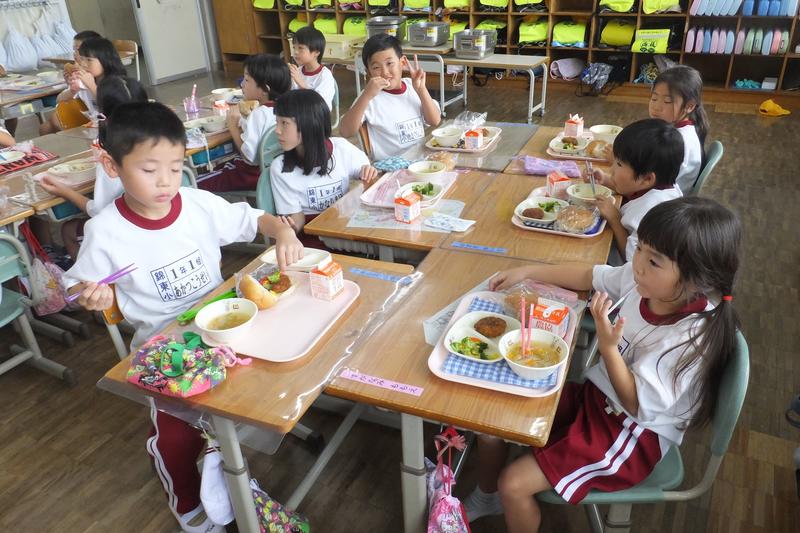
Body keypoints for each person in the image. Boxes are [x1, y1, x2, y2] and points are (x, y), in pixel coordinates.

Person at [64, 102, 303, 533]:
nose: (166, 182)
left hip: (223, 332)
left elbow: (255, 219)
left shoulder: (195, 204)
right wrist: (91, 295)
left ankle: (235, 459)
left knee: (282, 376)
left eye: (175, 168)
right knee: (175, 439)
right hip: (166, 351)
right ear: (112, 166)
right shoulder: (106, 231)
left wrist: (283, 230)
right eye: (149, 169)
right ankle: (188, 504)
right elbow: (77, 286)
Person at [464, 197, 742, 533]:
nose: (638, 264)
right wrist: (526, 271)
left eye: (654, 261)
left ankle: (502, 494)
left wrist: (609, 348)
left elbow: (636, 403)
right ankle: (486, 496)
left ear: (696, 279)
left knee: (513, 484)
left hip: (633, 433)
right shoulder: (644, 282)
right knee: (493, 415)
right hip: (597, 399)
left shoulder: (691, 336)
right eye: (640, 249)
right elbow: (589, 275)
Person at [39, 76, 148, 259]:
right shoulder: (154, 138)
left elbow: (100, 212)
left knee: (68, 230)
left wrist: (65, 192)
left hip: (126, 232)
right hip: (152, 219)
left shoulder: (112, 154)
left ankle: (91, 273)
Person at [271, 89, 377, 247]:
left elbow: (367, 172)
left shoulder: (341, 148)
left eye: (284, 123)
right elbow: (298, 217)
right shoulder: (280, 168)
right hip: (313, 235)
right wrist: (290, 229)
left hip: (343, 225)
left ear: (308, 124)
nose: (277, 130)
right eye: (277, 122)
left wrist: (367, 171)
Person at [587, 118, 683, 262]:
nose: (612, 169)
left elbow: (632, 261)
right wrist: (606, 180)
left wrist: (614, 218)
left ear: (647, 178)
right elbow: (633, 189)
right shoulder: (664, 186)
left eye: (619, 164)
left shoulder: (648, 213)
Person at [339, 33, 441, 161]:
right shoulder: (369, 98)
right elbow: (346, 131)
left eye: (389, 63)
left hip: (420, 160)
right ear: (368, 72)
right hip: (389, 167)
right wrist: (366, 96)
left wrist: (421, 90)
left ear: (402, 62)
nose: (385, 72)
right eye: (376, 67)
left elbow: (435, 121)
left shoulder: (412, 86)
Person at [197, 54, 291, 192]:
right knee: (218, 169)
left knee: (196, 183)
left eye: (246, 80)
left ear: (264, 89)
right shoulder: (287, 108)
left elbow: (249, 158)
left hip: (252, 175)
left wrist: (233, 127)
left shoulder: (259, 114)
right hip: (275, 169)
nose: (242, 84)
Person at [40, 33, 122, 135]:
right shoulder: (86, 77)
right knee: (46, 127)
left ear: (104, 59)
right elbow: (59, 100)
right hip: (96, 125)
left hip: (116, 130)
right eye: (82, 58)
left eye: (88, 59)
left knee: (54, 122)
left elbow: (112, 108)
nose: (83, 63)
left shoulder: (117, 82)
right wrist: (72, 90)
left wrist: (91, 85)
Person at [648, 65, 708, 193]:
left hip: (661, 199)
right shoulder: (679, 129)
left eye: (667, 101)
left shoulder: (677, 142)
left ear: (689, 106)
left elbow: (649, 181)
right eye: (654, 98)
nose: (656, 107)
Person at [289, 26, 335, 111]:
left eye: (300, 48)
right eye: (294, 47)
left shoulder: (325, 75)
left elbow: (320, 105)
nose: (295, 52)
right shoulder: (297, 71)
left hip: (316, 117)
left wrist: (301, 83)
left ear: (316, 52)